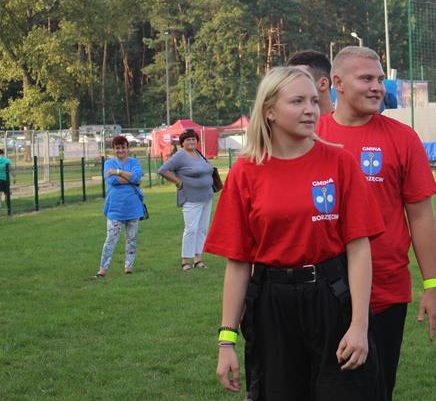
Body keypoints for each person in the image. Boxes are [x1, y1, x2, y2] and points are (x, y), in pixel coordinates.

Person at [204, 67, 384, 400]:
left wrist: (359, 325)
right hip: (272, 305)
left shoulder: (340, 162)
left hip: (331, 299)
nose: (310, 109)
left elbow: (359, 249)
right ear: (269, 111)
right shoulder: (245, 172)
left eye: (314, 101)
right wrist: (226, 341)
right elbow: (239, 263)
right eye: (297, 101)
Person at [317, 46, 436, 401]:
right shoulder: (311, 135)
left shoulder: (402, 138)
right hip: (320, 291)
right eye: (366, 78)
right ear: (338, 83)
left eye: (380, 79)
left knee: (377, 388)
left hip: (385, 289)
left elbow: (420, 214)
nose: (377, 87)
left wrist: (432, 284)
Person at [158, 128, 214, 271]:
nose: (191, 141)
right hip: (191, 198)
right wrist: (178, 182)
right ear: (182, 143)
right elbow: (163, 170)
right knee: (191, 229)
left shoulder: (198, 153)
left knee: (202, 229)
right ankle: (185, 261)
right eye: (188, 139)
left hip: (206, 196)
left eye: (193, 139)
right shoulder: (180, 156)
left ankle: (198, 259)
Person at [93, 136, 145, 278]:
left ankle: (129, 266)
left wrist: (118, 172)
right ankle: (103, 268)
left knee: (131, 239)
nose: (120, 150)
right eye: (117, 148)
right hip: (115, 208)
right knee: (111, 238)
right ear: (113, 149)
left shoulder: (134, 162)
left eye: (123, 147)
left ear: (127, 148)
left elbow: (137, 177)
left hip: (133, 207)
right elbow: (112, 180)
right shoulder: (108, 163)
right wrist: (130, 178)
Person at [287, 49, 336, 115]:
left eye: (299, 80)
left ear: (323, 84)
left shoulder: (347, 120)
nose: (290, 87)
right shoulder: (286, 120)